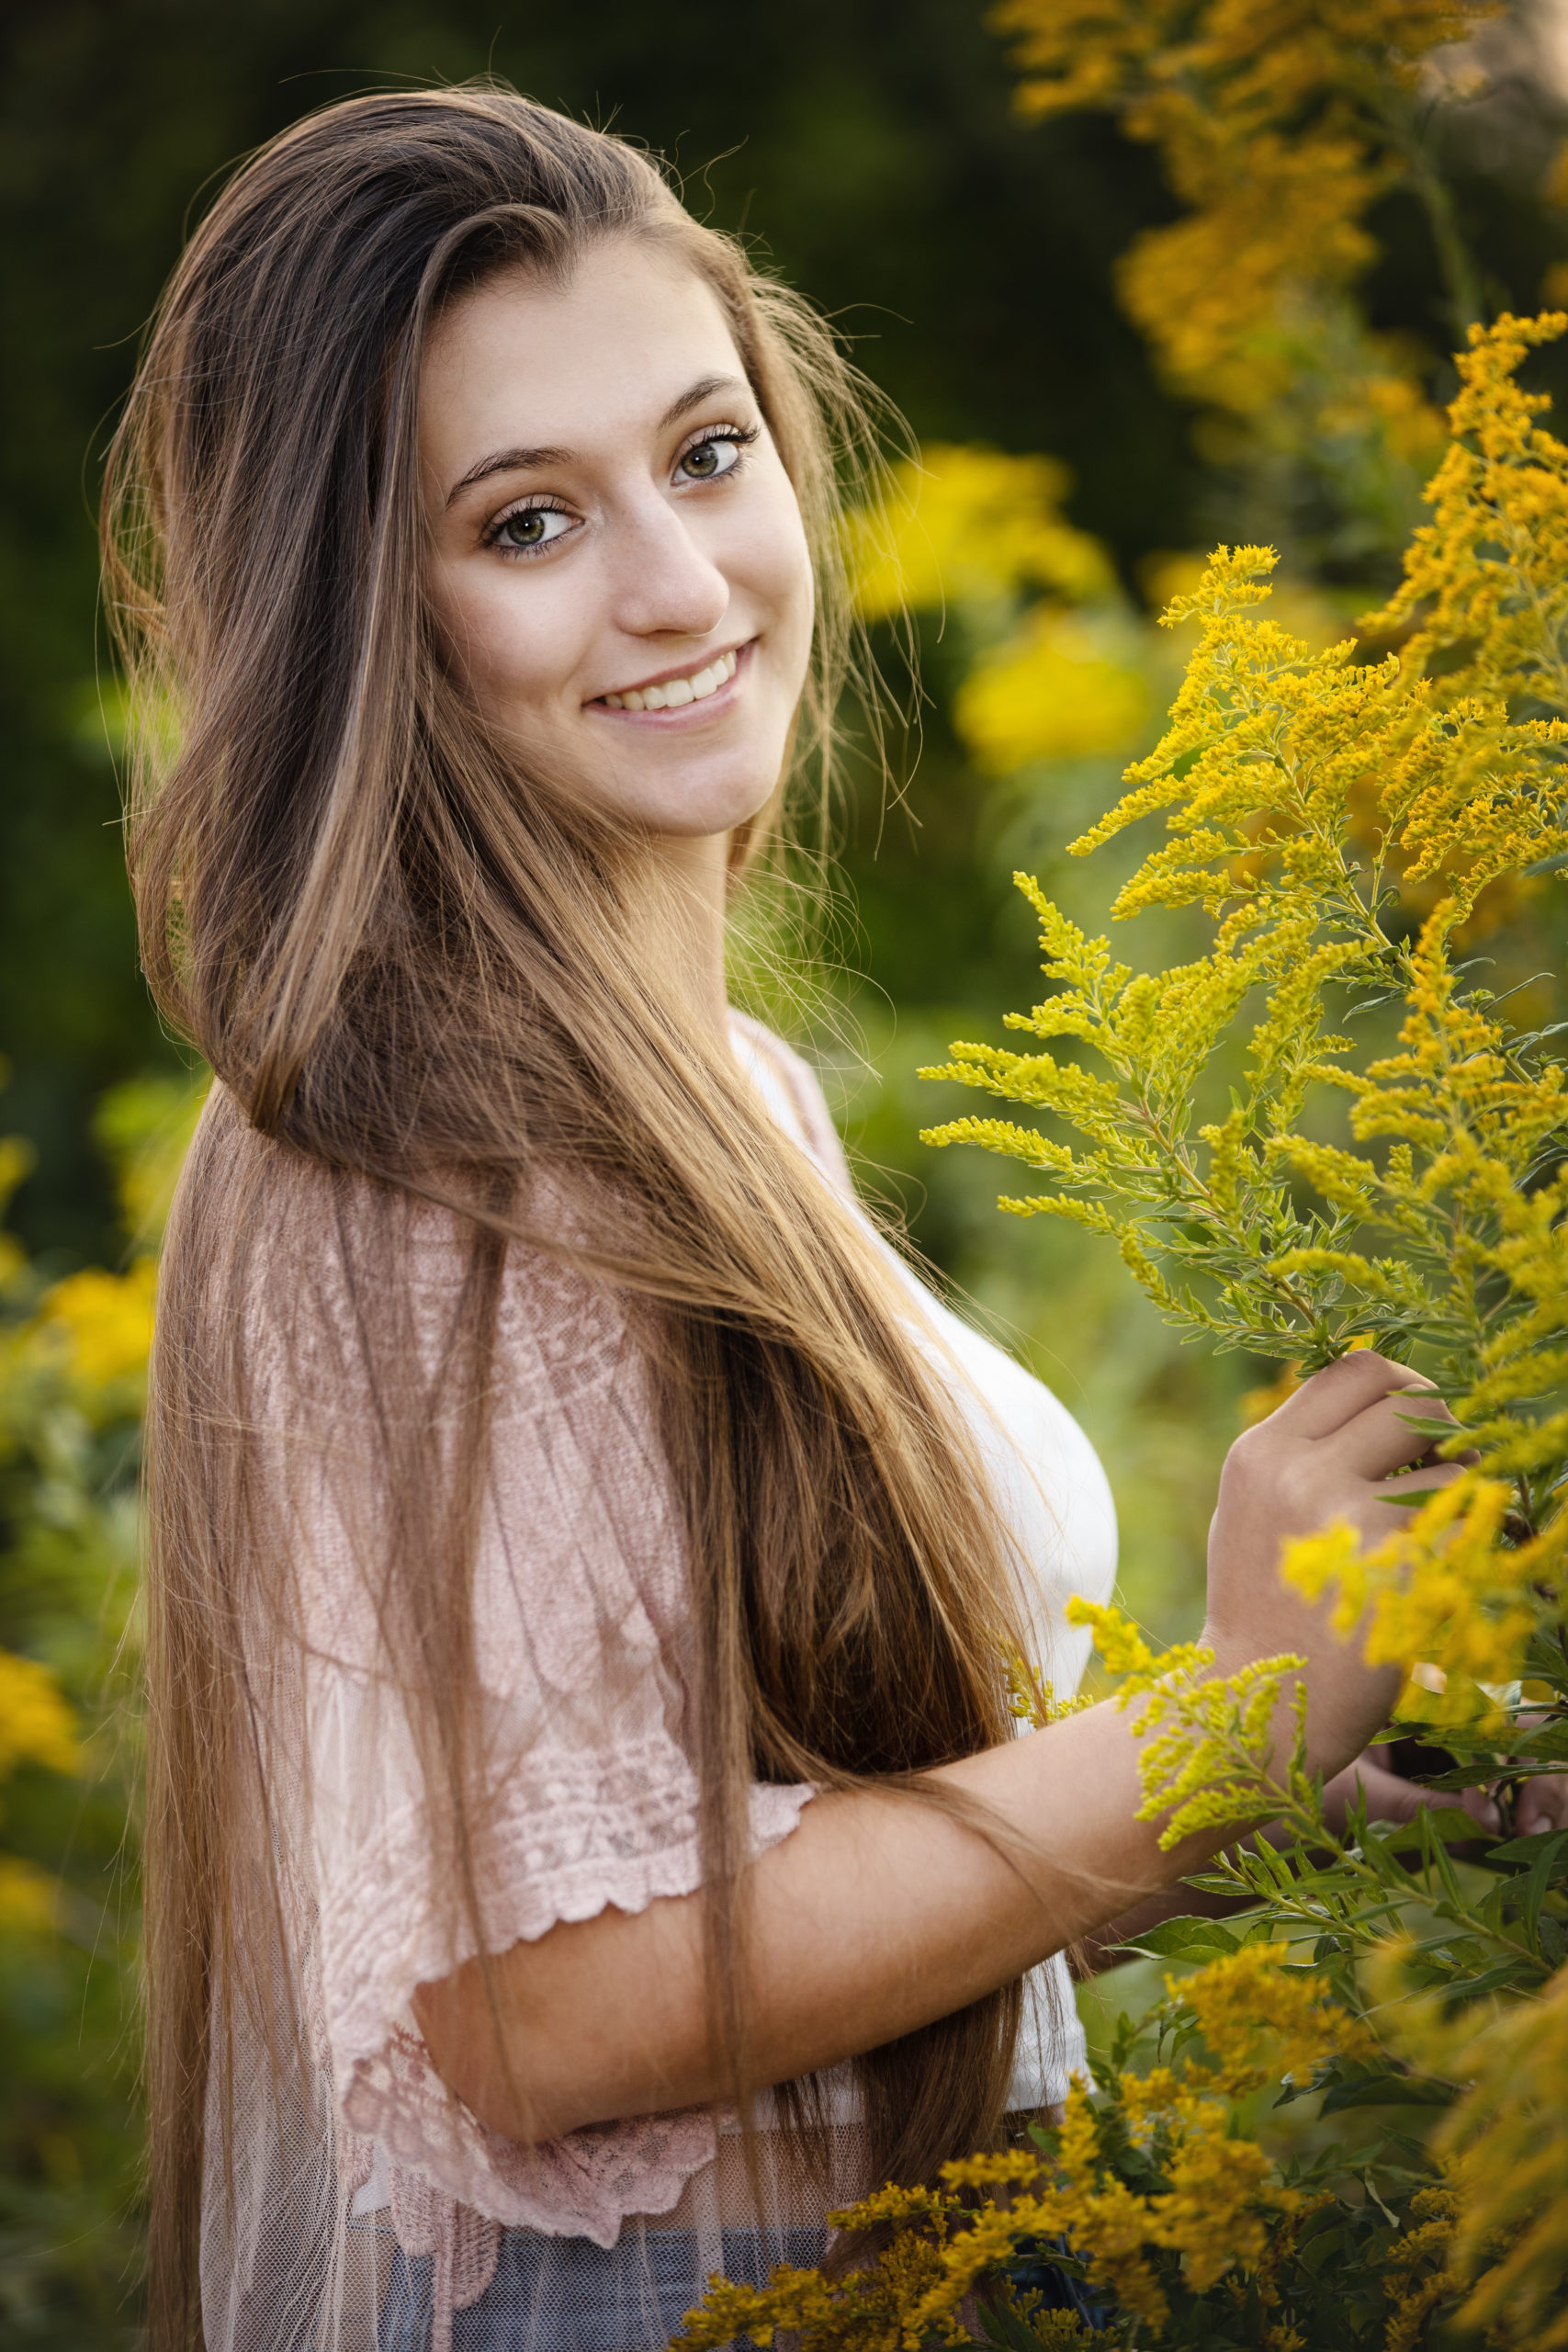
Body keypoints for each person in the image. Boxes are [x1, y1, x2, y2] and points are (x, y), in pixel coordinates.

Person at [103, 85, 1546, 2352]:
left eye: (703, 454)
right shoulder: (406, 1145)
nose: (680, 585)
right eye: (525, 520)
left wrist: (1277, 1798)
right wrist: (1224, 1723)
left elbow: (775, 1925)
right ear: (368, 620)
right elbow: (536, 2005)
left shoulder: (708, 1101)